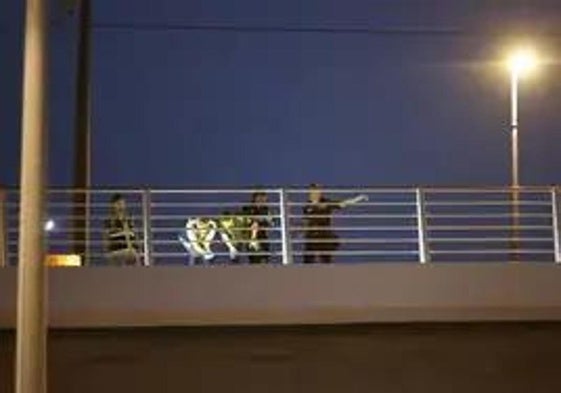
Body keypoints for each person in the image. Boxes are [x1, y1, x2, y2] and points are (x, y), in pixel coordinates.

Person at [303, 184, 367, 264]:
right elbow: (306, 221)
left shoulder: (326, 202)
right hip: (311, 237)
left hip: (324, 236)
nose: (316, 194)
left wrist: (357, 199)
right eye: (314, 191)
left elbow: (342, 204)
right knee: (308, 260)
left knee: (325, 260)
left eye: (318, 191)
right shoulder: (307, 206)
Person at [104, 194, 139, 265]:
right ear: (113, 205)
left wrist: (134, 249)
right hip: (116, 252)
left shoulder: (129, 220)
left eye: (122, 203)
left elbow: (134, 237)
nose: (120, 205)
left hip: (129, 251)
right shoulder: (110, 221)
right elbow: (106, 238)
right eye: (118, 203)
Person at [242, 191, 273, 264]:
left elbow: (271, 222)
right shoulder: (247, 209)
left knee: (264, 260)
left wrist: (264, 219)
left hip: (263, 238)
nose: (262, 201)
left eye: (264, 199)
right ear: (255, 198)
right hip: (250, 237)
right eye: (260, 198)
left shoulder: (266, 210)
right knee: (254, 260)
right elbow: (245, 220)